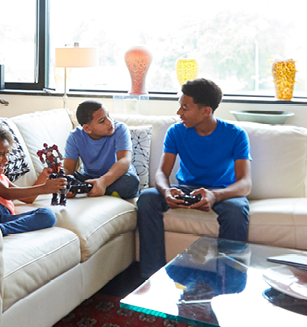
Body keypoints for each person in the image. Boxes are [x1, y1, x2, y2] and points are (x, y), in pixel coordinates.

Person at [136, 78, 252, 276]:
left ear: (206, 111)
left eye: (185, 108)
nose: (179, 113)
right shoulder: (176, 132)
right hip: (187, 188)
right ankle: (151, 275)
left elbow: (245, 184)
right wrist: (166, 191)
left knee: (236, 211)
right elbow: (161, 173)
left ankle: (230, 280)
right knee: (147, 198)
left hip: (221, 192)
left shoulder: (236, 134)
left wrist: (215, 196)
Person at [0, 124, 60, 235]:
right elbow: (7, 193)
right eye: (1, 154)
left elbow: (28, 199)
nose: (6, 159)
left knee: (48, 215)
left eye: (7, 153)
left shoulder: (3, 177)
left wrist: (43, 177)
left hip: (3, 218)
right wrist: (43, 189)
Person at [62, 101, 141, 199]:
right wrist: (64, 183)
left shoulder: (120, 129)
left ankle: (90, 189)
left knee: (131, 182)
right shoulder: (75, 136)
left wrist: (103, 182)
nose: (109, 121)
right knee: (62, 178)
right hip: (89, 177)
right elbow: (69, 169)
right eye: (102, 121)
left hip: (117, 177)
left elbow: (124, 160)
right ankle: (94, 188)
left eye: (108, 115)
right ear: (87, 128)